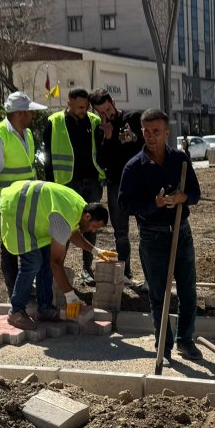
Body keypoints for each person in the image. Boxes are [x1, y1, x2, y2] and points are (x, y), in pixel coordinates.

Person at [119, 109, 203, 362]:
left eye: (156, 132)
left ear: (167, 132)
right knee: (158, 294)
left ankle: (185, 341)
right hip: (152, 237)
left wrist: (183, 198)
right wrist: (153, 204)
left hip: (181, 232)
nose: (151, 136)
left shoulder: (180, 161)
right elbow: (125, 204)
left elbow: (196, 193)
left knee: (188, 291)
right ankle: (163, 345)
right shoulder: (134, 167)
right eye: (146, 131)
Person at [0, 179, 111, 330]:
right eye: (94, 227)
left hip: (30, 209)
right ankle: (16, 311)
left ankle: (45, 309)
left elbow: (72, 232)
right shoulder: (64, 217)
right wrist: (70, 296)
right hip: (17, 209)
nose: (93, 231)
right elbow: (56, 263)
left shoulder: (79, 207)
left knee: (45, 259)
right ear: (88, 217)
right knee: (33, 262)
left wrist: (96, 251)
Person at [0, 91, 48, 297]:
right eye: (29, 112)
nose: (32, 116)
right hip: (8, 204)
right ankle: (14, 292)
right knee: (10, 249)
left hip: (27, 202)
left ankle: (25, 287)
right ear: (19, 113)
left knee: (28, 246)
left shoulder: (26, 134)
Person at [46, 87, 105, 286]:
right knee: (65, 227)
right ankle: (58, 267)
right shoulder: (54, 122)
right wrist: (49, 184)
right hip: (66, 184)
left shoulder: (94, 121)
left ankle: (87, 268)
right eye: (79, 107)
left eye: (86, 106)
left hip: (91, 180)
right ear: (69, 103)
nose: (84, 110)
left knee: (91, 225)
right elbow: (47, 157)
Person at [90, 88, 145, 285]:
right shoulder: (100, 130)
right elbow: (102, 161)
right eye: (101, 113)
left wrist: (135, 138)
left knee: (144, 229)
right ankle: (125, 274)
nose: (106, 115)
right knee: (120, 233)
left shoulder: (133, 118)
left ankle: (149, 276)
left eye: (108, 110)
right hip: (116, 184)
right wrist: (107, 138)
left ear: (113, 102)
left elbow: (148, 144)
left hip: (139, 183)